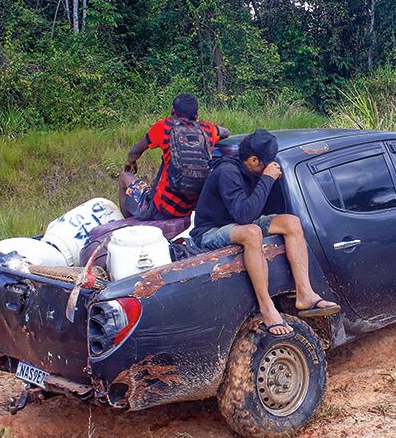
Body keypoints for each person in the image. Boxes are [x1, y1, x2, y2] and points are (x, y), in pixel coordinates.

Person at [191, 129, 340, 336]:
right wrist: (267, 178)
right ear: (253, 160)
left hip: (238, 223)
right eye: (267, 162)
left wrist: (270, 179)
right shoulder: (227, 172)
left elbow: (258, 209)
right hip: (210, 231)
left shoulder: (252, 171)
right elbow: (244, 215)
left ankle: (305, 293)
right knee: (252, 232)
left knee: (291, 223)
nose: (270, 166)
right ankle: (267, 307)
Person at [119, 93, 229, 220]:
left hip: (161, 209)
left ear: (173, 111)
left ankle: (127, 223)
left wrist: (130, 162)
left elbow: (135, 151)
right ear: (196, 114)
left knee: (124, 177)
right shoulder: (207, 129)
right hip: (190, 208)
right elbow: (226, 132)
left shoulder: (165, 126)